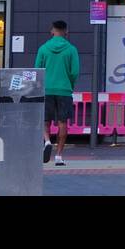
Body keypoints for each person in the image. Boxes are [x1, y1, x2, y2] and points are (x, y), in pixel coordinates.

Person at [35, 20, 79, 167]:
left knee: (45, 120)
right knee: (62, 122)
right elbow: (74, 72)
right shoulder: (71, 49)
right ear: (66, 32)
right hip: (64, 90)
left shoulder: (43, 49)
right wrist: (69, 85)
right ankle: (59, 156)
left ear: (52, 31)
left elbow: (37, 69)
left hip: (46, 89)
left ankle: (47, 141)